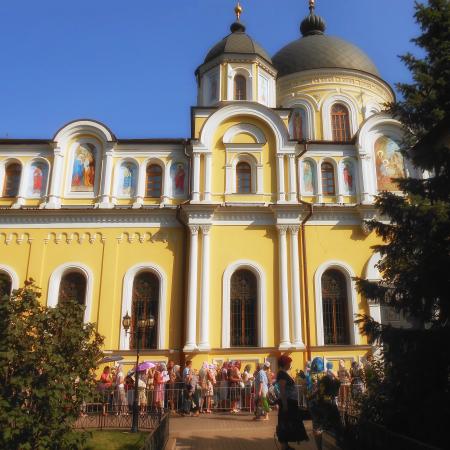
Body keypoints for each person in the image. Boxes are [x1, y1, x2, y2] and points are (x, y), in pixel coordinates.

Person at [307, 357, 342, 450]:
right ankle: (339, 443)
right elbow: (338, 383)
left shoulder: (318, 379)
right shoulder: (331, 380)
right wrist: (335, 376)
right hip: (331, 405)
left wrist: (310, 397)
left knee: (318, 428)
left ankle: (320, 448)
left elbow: (314, 392)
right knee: (336, 426)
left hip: (319, 405)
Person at [276, 355, 309, 450]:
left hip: (290, 403)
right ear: (285, 363)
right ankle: (284, 447)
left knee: (288, 424)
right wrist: (285, 404)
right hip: (288, 403)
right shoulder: (282, 374)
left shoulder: (284, 373)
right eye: (289, 362)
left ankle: (285, 446)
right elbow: (282, 389)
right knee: (285, 424)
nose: (290, 364)